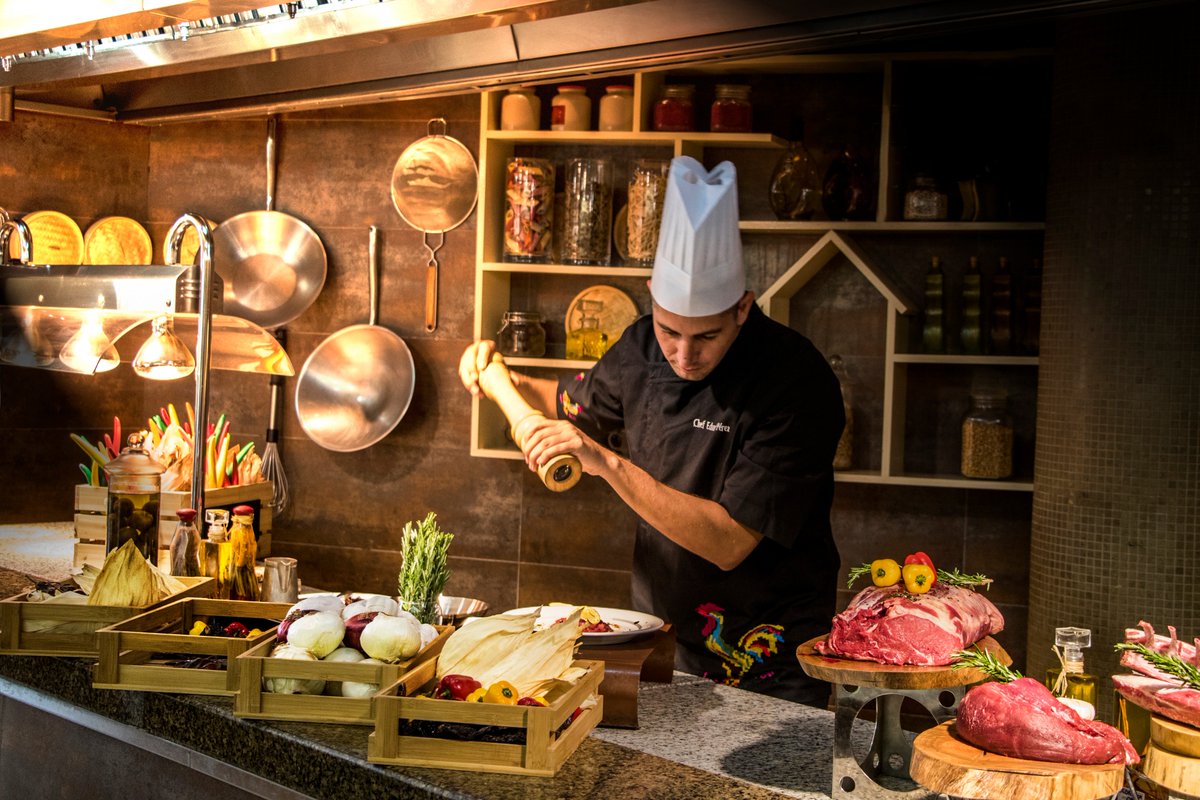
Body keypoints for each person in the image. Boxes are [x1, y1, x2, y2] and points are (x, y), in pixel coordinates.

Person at [459, 157, 844, 705]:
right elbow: (573, 402)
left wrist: (606, 462)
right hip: (660, 639)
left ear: (742, 308)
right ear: (651, 296)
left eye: (706, 337)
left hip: (772, 657)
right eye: (670, 331)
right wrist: (505, 378)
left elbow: (728, 542)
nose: (684, 355)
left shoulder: (795, 380)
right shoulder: (640, 347)